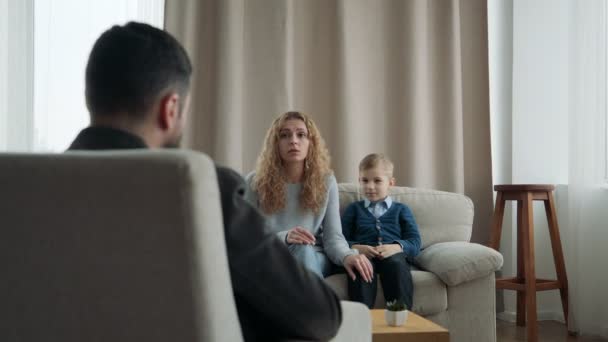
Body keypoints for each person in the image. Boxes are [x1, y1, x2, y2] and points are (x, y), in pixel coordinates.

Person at [68, 22, 342, 342]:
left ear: (90, 95)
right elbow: (320, 316)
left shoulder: (16, 191)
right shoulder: (204, 190)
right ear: (170, 109)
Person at [244, 111, 374, 282]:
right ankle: (317, 305)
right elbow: (246, 236)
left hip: (312, 255)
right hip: (271, 254)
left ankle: (312, 304)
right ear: (275, 143)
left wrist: (347, 256)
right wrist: (285, 237)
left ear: (311, 143)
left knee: (303, 249)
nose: (293, 140)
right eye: (284, 135)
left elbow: (333, 238)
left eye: (301, 135)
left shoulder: (326, 181)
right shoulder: (255, 181)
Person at [341, 153, 422, 309]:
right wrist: (357, 247)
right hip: (363, 256)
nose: (370, 186)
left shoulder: (401, 210)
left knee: (397, 264)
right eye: (365, 180)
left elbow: (415, 242)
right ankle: (361, 318)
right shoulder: (354, 210)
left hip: (393, 257)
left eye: (377, 181)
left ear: (390, 183)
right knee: (360, 264)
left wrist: (396, 247)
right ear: (359, 181)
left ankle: (400, 316)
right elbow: (339, 240)